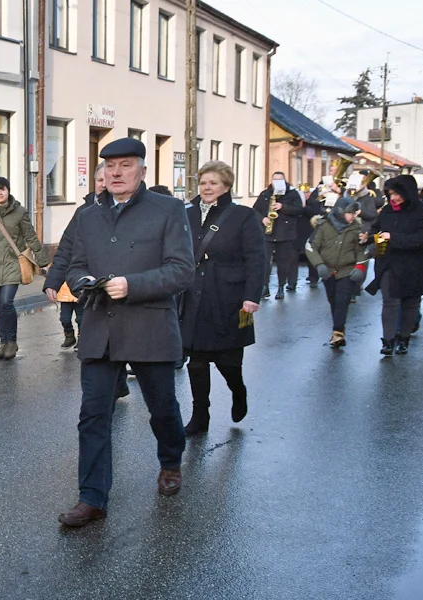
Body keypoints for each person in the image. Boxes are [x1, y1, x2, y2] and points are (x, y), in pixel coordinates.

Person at [58, 138, 194, 527]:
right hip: (101, 326)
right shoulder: (88, 215)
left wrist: (132, 285)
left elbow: (182, 270)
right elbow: (74, 262)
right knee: (93, 415)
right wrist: (80, 279)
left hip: (149, 325)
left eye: (125, 166)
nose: (116, 173)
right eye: (110, 167)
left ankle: (170, 461)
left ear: (143, 171)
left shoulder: (167, 210)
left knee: (162, 407)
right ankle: (92, 497)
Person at [180, 161, 265, 435]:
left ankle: (238, 391)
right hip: (194, 296)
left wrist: (252, 296)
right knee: (197, 361)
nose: (207, 188)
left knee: (229, 361)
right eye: (203, 182)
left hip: (228, 297)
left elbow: (256, 259)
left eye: (213, 183)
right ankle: (200, 415)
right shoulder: (187, 213)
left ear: (226, 186)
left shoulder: (242, 216)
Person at [363, 174, 423, 356]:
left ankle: (404, 339)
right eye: (390, 194)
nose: (393, 198)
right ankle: (388, 340)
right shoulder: (388, 210)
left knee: (411, 304)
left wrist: (393, 238)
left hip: (415, 266)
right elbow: (376, 229)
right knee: (390, 303)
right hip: (390, 264)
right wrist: (368, 238)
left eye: (397, 193)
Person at [0, 176, 49, 360]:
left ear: (8, 190)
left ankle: (11, 342)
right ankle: (3, 343)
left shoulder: (19, 212)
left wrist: (43, 261)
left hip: (13, 264)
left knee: (6, 302)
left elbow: (30, 236)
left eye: (2, 189)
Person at [44, 162, 105, 349]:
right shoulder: (83, 212)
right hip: (89, 285)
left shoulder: (128, 212)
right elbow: (66, 248)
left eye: (107, 179)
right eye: (99, 179)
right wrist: (53, 280)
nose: (103, 184)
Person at [305, 199, 368, 347]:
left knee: (342, 300)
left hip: (346, 270)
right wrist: (319, 265)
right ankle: (338, 328)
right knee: (333, 299)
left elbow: (362, 250)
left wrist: (360, 267)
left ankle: (338, 332)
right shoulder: (323, 226)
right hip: (327, 270)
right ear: (340, 211)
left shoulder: (356, 228)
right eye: (350, 213)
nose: (353, 216)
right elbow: (311, 246)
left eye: (354, 213)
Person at [253, 172, 304, 299]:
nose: (277, 182)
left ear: (285, 180)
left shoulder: (292, 194)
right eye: (274, 180)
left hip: (286, 233)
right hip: (268, 233)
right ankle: (265, 287)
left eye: (280, 180)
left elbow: (299, 210)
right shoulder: (266, 194)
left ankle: (281, 287)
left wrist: (283, 207)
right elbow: (254, 210)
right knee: (265, 261)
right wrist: (262, 219)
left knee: (283, 262)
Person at [298, 184, 325, 288]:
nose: (304, 195)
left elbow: (314, 213)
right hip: (299, 231)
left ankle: (314, 277)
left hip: (310, 231)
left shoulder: (315, 202)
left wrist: (304, 207)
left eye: (306, 193)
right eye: (303, 193)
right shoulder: (296, 202)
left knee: (311, 255)